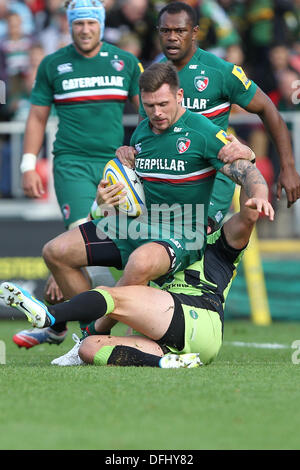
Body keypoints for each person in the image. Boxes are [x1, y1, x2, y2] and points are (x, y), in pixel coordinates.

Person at [0, 163, 275, 368]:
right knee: (90, 348)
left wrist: (254, 189)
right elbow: (108, 225)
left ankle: (50, 316)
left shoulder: (220, 242)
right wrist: (102, 204)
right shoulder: (162, 241)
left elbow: (247, 216)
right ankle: (166, 363)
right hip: (169, 334)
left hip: (199, 317)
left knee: (114, 295)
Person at [13, 0, 143, 349]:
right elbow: (38, 117)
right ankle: (91, 335)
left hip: (115, 169)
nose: (85, 29)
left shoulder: (125, 62)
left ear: (101, 25)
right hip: (71, 163)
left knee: (120, 248)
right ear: (69, 25)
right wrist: (28, 164)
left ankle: (59, 322)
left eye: (91, 22)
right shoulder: (54, 64)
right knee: (83, 241)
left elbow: (150, 112)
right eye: (78, 23)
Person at [146, 2, 300, 224]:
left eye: (179, 31)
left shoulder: (220, 71)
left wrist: (288, 167)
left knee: (196, 237)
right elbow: (146, 129)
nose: (172, 37)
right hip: (167, 179)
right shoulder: (152, 75)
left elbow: (267, 108)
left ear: (195, 32)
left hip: (213, 178)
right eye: (165, 31)